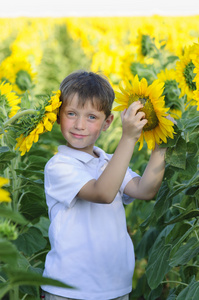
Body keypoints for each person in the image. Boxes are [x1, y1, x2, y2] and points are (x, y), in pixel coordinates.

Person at [41, 70, 167, 300]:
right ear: (58, 115)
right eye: (71, 113)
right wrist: (128, 137)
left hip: (115, 289)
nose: (79, 125)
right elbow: (103, 193)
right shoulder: (58, 165)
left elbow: (145, 190)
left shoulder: (108, 162)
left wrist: (161, 146)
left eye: (91, 117)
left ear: (107, 122)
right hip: (69, 290)